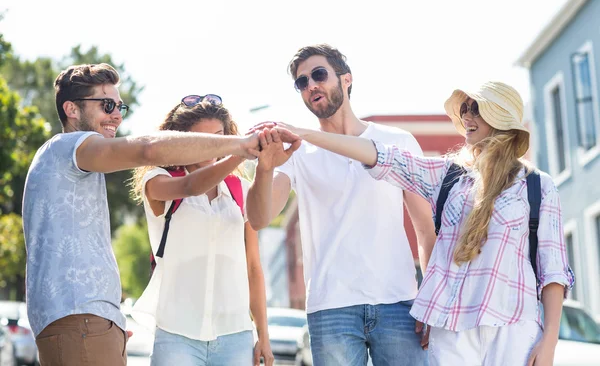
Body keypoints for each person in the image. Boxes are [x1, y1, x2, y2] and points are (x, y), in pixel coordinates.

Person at [266, 81, 575, 366]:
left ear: (501, 118)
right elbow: (381, 156)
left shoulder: (537, 186)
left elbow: (553, 273)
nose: (466, 115)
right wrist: (305, 135)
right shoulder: (449, 177)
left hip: (514, 328)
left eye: (475, 108)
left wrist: (549, 341)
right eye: (464, 108)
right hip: (451, 331)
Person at [21, 64, 294, 366]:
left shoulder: (83, 164)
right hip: (95, 321)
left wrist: (109, 321)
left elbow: (255, 258)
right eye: (107, 104)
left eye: (119, 106)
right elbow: (152, 153)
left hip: (98, 321)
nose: (117, 114)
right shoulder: (72, 149)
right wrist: (241, 147)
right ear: (71, 109)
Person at [247, 44, 435, 366]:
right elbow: (260, 218)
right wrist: (265, 168)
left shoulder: (397, 142)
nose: (311, 85)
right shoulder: (296, 154)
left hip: (400, 302)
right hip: (331, 308)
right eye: (302, 82)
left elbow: (424, 227)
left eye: (318, 75)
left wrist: (432, 298)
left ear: (346, 79)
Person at [129, 95, 278, 366]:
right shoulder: (159, 183)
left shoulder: (239, 191)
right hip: (177, 335)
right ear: (180, 142)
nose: (213, 149)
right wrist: (239, 153)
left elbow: (253, 268)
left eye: (219, 138)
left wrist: (263, 337)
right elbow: (190, 187)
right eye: (203, 141)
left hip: (235, 335)